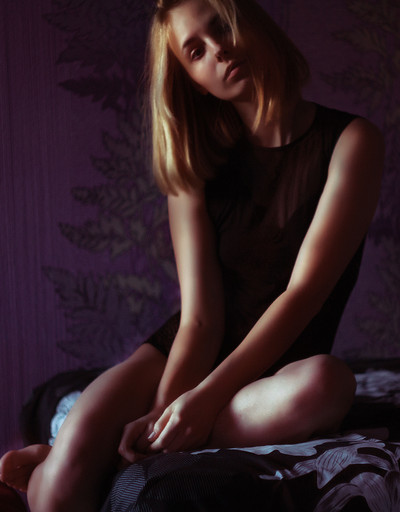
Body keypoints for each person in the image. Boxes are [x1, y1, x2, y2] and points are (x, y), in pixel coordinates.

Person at [0, 0, 384, 510]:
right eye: (195, 51)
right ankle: (57, 467)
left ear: (252, 23)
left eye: (222, 26)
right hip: (185, 348)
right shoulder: (195, 159)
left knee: (328, 383)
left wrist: (200, 405)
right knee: (59, 493)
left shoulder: (353, 141)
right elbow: (201, 319)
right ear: (195, 82)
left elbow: (304, 293)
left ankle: (93, 458)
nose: (219, 49)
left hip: (280, 371)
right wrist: (167, 412)